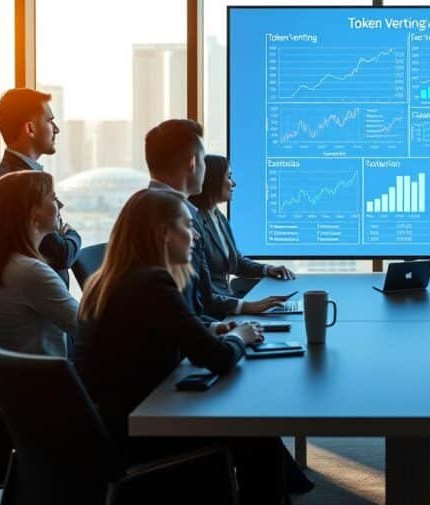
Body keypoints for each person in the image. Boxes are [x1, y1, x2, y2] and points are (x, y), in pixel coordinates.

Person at [72, 189, 308, 504]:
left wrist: (211, 328)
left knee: (251, 424)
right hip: (138, 430)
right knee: (253, 429)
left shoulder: (115, 279)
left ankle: (288, 487)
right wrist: (240, 337)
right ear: (164, 234)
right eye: (187, 225)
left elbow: (159, 333)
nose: (196, 234)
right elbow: (219, 358)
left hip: (111, 423)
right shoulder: (153, 283)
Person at [144, 120, 288, 322]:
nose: (234, 183)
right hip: (203, 323)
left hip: (198, 326)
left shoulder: (147, 207)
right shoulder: (178, 220)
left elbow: (183, 308)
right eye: (203, 160)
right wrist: (233, 330)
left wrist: (265, 270)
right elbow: (194, 304)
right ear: (193, 164)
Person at [0, 170, 78, 357]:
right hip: (48, 381)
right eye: (53, 198)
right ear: (35, 214)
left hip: (16, 380)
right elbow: (88, 329)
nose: (59, 205)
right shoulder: (31, 273)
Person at [0, 88, 80, 287]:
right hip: (35, 307)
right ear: (30, 129)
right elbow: (61, 254)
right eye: (50, 120)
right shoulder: (15, 186)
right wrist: (73, 234)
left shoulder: (16, 178)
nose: (56, 129)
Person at [188, 155, 295, 300]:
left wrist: (267, 269)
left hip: (228, 299)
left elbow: (236, 262)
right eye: (229, 177)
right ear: (213, 180)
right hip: (216, 308)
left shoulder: (218, 217)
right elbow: (201, 291)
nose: (234, 183)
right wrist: (244, 307)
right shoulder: (194, 221)